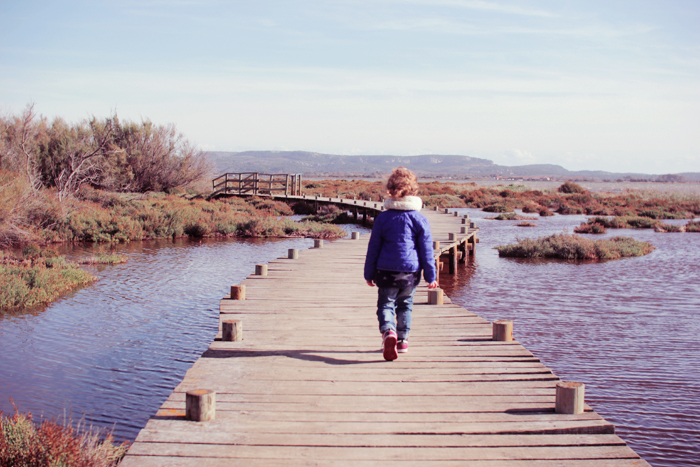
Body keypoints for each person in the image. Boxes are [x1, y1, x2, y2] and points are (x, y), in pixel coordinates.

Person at [364, 167, 438, 361]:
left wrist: (368, 274)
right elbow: (426, 251)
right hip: (410, 272)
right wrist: (431, 276)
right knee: (405, 305)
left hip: (385, 271)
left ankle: (389, 332)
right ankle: (402, 341)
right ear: (414, 191)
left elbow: (373, 248)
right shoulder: (420, 219)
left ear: (390, 190)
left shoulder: (383, 218)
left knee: (386, 304)